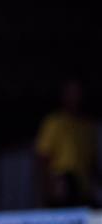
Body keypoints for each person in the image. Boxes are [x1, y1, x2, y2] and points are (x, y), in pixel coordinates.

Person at [35, 79, 99, 207]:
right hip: (62, 187)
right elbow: (43, 157)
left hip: (83, 189)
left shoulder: (88, 126)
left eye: (78, 93)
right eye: (71, 93)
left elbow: (92, 162)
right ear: (63, 95)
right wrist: (47, 187)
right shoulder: (54, 122)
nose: (75, 97)